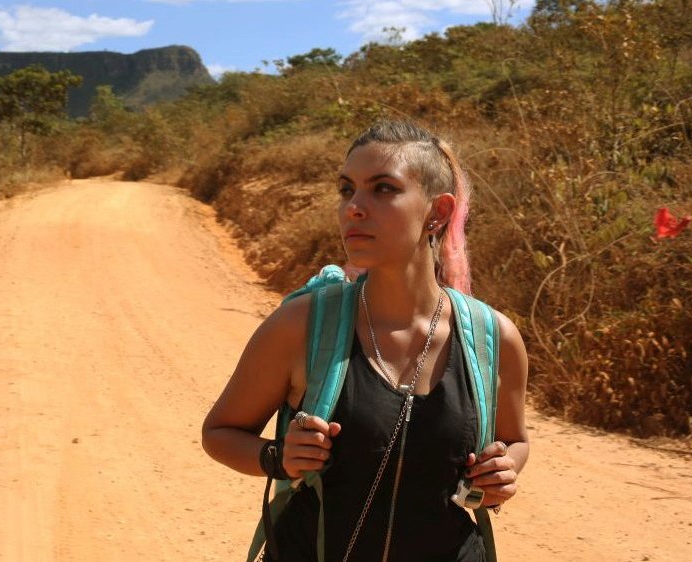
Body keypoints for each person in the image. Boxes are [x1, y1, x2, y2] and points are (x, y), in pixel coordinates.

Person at [201, 120, 530, 562]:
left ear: (439, 212)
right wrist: (278, 457)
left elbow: (514, 441)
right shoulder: (302, 325)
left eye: (383, 189)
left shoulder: (495, 338)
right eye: (346, 190)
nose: (354, 207)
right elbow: (220, 432)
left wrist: (504, 470)